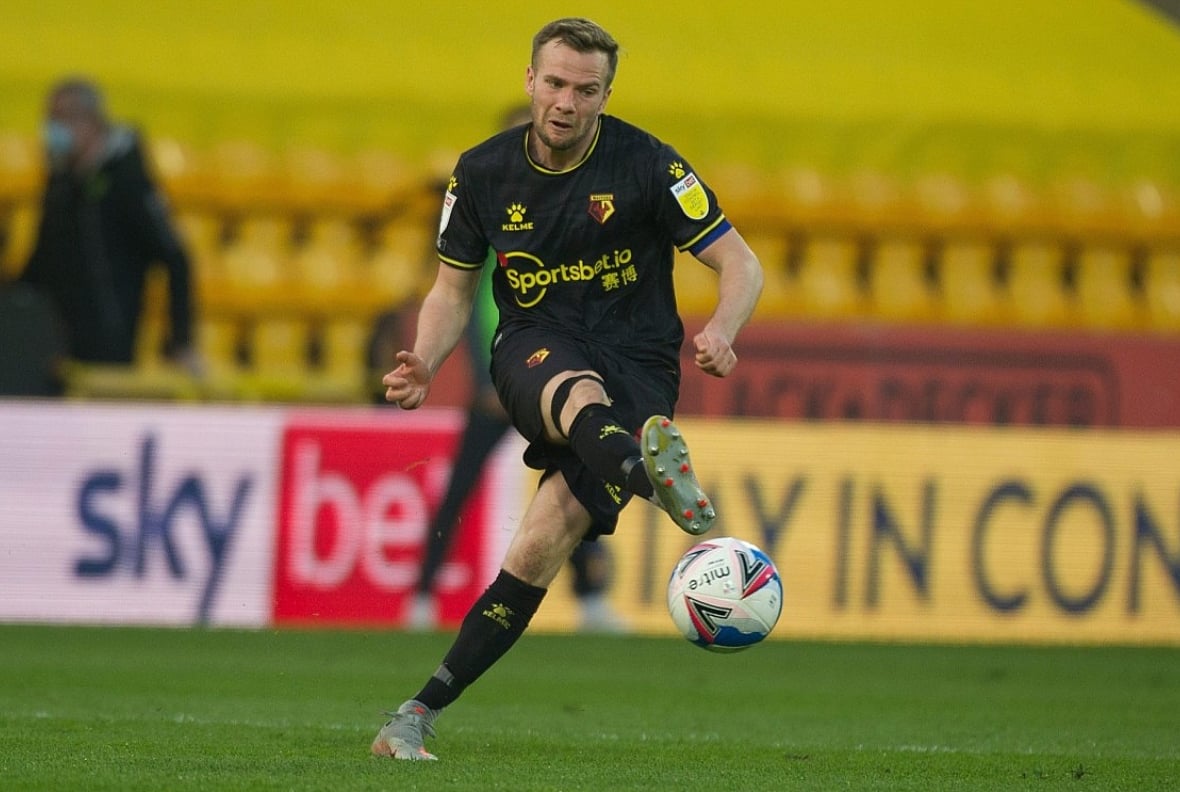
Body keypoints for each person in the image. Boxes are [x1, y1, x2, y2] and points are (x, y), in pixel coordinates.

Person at [373, 17, 763, 761]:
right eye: (554, 83)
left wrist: (724, 329)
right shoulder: (481, 173)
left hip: (641, 361)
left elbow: (741, 262)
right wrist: (425, 358)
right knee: (578, 393)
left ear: (605, 96)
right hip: (535, 344)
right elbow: (452, 290)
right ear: (530, 81)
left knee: (538, 547)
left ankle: (414, 715)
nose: (566, 102)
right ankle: (649, 477)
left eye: (585, 90)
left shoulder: (649, 164)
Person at [407, 104, 628, 635]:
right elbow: (468, 304)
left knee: (568, 484)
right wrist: (488, 380)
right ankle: (421, 596)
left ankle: (590, 600)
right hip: (501, 383)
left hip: (548, 376)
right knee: (462, 487)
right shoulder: (490, 217)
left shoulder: (559, 217)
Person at [19, 77, 198, 368]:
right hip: (55, 340)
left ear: (90, 122)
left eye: (60, 118)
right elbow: (43, 255)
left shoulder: (127, 180)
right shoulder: (61, 181)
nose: (52, 130)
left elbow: (175, 258)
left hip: (111, 338)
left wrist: (181, 341)